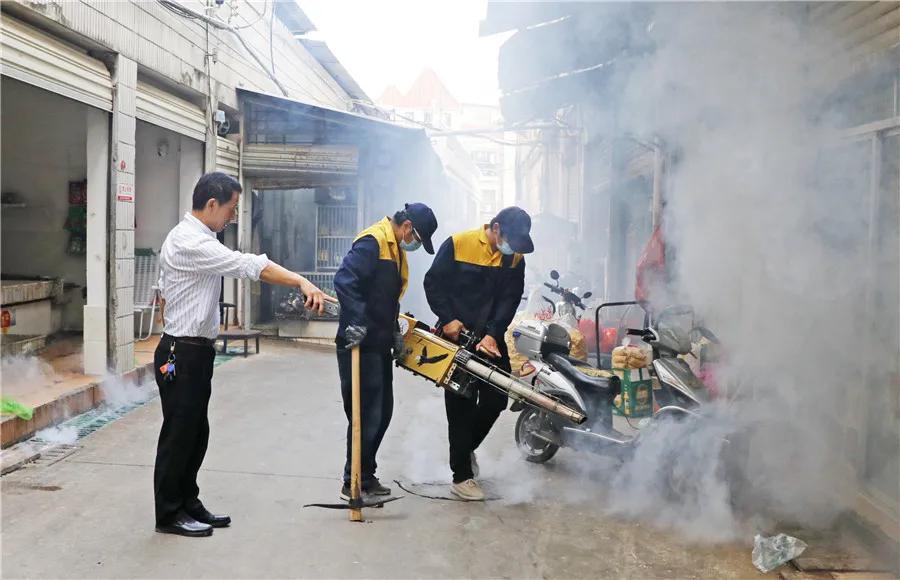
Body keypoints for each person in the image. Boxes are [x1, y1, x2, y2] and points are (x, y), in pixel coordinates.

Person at [154, 172, 334, 537]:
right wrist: (301, 281)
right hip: (182, 352)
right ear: (211, 204)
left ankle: (188, 501)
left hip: (194, 351)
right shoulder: (191, 241)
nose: (233, 216)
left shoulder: (198, 237)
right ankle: (169, 513)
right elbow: (249, 265)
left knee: (195, 433)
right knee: (179, 435)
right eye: (232, 208)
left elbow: (164, 292)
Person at [423, 207, 533, 500]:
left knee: (497, 397)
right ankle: (461, 477)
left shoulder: (515, 257)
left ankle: (463, 449)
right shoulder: (459, 243)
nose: (513, 248)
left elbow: (510, 299)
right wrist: (447, 319)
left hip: (489, 337)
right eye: (510, 239)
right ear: (495, 228)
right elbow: (432, 283)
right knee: (460, 403)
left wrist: (493, 334)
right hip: (456, 334)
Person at [333, 203, 438, 500]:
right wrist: (355, 320)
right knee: (366, 414)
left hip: (378, 344)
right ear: (407, 228)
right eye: (417, 238)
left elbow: (385, 296)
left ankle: (366, 476)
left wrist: (393, 329)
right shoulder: (373, 242)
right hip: (359, 344)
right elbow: (344, 281)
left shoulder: (395, 249)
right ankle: (351, 481)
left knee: (382, 413)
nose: (415, 244)